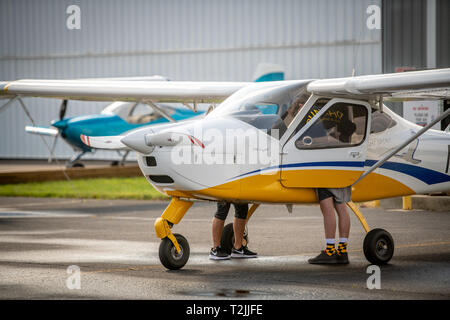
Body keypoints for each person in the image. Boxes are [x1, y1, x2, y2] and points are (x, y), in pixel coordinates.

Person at [308, 187, 351, 264]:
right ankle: (342, 251)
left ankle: (330, 251)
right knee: (342, 206)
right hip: (343, 178)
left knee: (327, 207)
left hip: (326, 177)